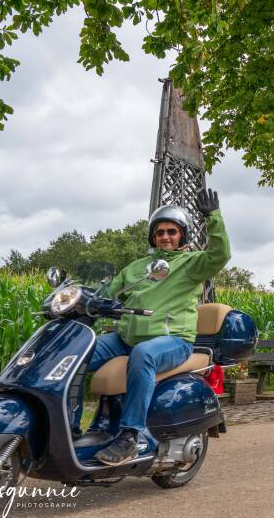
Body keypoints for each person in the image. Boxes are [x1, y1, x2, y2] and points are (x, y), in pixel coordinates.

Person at [78, 188, 230, 466]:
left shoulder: (192, 264)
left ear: (182, 235)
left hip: (172, 340)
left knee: (144, 354)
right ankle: (69, 428)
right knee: (76, 351)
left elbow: (220, 255)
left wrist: (214, 218)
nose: (165, 237)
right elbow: (109, 292)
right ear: (153, 237)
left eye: (172, 231)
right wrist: (81, 300)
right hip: (127, 337)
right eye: (160, 232)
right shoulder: (137, 267)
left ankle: (130, 435)